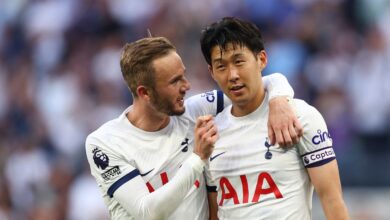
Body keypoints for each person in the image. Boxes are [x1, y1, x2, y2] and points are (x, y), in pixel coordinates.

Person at [85, 36, 301, 220]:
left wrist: (278, 101)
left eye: (184, 75)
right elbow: (146, 211)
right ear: (145, 93)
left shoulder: (196, 110)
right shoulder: (105, 142)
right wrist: (198, 158)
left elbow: (264, 82)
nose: (187, 86)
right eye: (175, 81)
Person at [201, 17, 349, 220]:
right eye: (221, 66)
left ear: (261, 59)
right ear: (211, 72)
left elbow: (332, 200)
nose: (232, 74)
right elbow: (214, 212)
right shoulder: (210, 136)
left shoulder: (300, 116)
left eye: (239, 61)